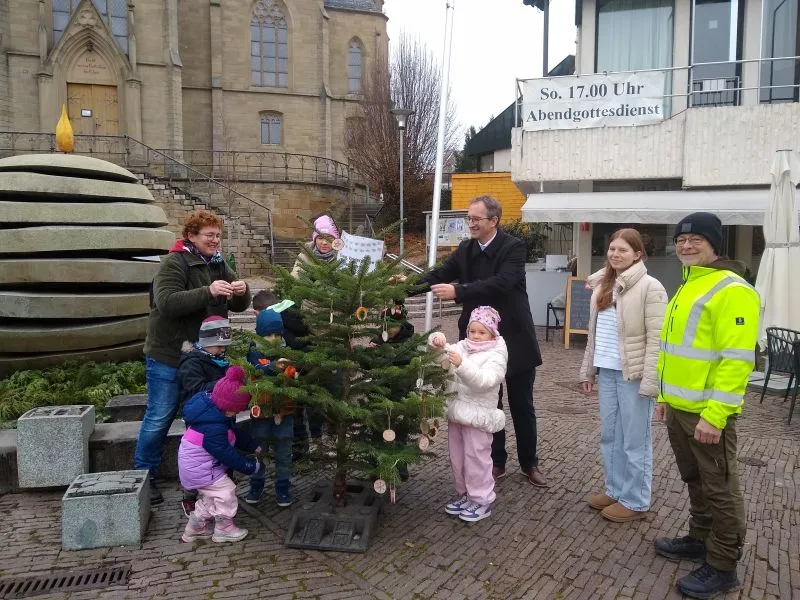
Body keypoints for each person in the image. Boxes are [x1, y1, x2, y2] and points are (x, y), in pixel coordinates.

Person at [653, 212, 759, 599]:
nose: (685, 245)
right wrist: (664, 396)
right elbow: (673, 351)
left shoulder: (732, 289)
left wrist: (715, 415)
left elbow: (737, 360)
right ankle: (700, 538)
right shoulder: (689, 284)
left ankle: (723, 565)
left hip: (707, 414)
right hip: (680, 408)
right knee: (694, 479)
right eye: (681, 239)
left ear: (716, 243)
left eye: (696, 238)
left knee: (722, 488)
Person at [418, 195, 547, 487]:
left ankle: (529, 463)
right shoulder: (465, 249)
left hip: (515, 338)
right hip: (477, 340)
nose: (471, 224)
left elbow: (502, 282)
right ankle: (496, 461)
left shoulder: (513, 247)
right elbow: (439, 274)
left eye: (476, 219)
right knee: (488, 402)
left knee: (521, 403)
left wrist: (459, 291)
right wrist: (404, 288)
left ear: (494, 221)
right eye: (469, 219)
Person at [135, 210, 251, 505]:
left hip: (205, 357)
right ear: (191, 236)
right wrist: (207, 291)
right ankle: (143, 477)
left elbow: (239, 305)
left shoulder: (218, 262)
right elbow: (167, 302)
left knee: (202, 416)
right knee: (160, 416)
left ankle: (203, 476)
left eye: (218, 235)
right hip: (169, 354)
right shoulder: (175, 262)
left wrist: (241, 291)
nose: (215, 240)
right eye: (209, 235)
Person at [579, 229, 667, 522]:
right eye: (612, 249)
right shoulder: (604, 286)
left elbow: (658, 340)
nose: (615, 254)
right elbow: (595, 335)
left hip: (634, 376)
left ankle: (636, 499)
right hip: (607, 372)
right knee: (610, 436)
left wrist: (651, 382)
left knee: (634, 440)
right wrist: (589, 370)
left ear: (638, 254)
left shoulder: (650, 287)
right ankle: (615, 489)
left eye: (623, 250)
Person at [429, 306, 508, 522]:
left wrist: (462, 366)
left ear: (492, 333)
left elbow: (486, 381)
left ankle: (482, 500)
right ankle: (465, 494)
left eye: (481, 332)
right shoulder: (463, 346)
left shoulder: (496, 353)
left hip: (478, 415)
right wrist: (437, 342)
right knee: (458, 457)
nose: (475, 336)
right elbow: (443, 355)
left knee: (477, 458)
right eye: (472, 331)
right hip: (457, 411)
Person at [178, 366, 261, 544]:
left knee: (211, 498)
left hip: (198, 468)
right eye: (236, 411)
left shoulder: (213, 414)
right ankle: (224, 529)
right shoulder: (213, 427)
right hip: (201, 471)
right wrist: (249, 466)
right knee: (226, 491)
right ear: (228, 406)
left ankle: (194, 528)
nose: (237, 414)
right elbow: (226, 453)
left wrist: (252, 445)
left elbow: (233, 434)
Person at [175, 315, 234, 515]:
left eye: (225, 346)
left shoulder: (218, 360)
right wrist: (225, 385)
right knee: (196, 462)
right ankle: (190, 496)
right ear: (206, 343)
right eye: (218, 346)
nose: (223, 350)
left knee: (222, 454)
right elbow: (195, 389)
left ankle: (221, 493)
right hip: (199, 422)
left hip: (220, 418)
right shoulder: (192, 362)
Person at [245, 308, 295, 507]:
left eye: (277, 334)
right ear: (259, 334)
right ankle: (256, 485)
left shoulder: (286, 350)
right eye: (268, 334)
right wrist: (275, 367)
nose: (273, 338)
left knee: (284, 453)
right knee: (260, 450)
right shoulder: (254, 352)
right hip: (261, 413)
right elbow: (257, 370)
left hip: (284, 411)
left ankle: (283, 488)